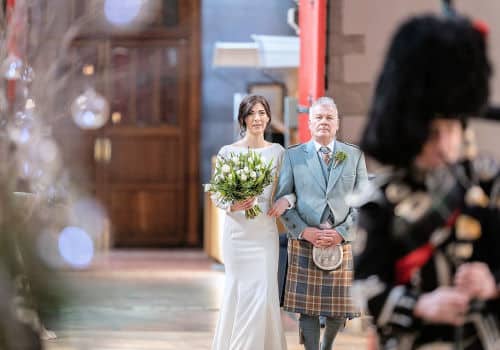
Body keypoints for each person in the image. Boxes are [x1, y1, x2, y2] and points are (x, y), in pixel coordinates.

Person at [353, 14, 500, 349]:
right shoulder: (379, 199)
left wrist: (492, 284)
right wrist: (420, 305)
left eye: (451, 129)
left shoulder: (488, 184)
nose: (446, 144)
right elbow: (364, 286)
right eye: (433, 132)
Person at [275, 96, 368, 350]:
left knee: (340, 309)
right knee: (308, 310)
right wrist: (304, 231)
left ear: (337, 123)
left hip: (342, 240)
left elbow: (364, 201)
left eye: (329, 117)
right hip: (305, 240)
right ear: (310, 123)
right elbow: (282, 199)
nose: (324, 122)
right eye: (318, 117)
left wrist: (341, 232)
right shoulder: (293, 157)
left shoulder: (354, 155)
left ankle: (327, 345)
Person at [211, 94, 295, 350]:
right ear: (243, 119)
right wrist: (233, 204)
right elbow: (217, 193)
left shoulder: (278, 152)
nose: (257, 118)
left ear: (268, 118)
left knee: (263, 294)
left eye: (262, 113)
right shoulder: (228, 152)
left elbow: (293, 189)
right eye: (251, 114)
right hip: (237, 235)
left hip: (264, 234)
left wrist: (286, 202)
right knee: (239, 292)